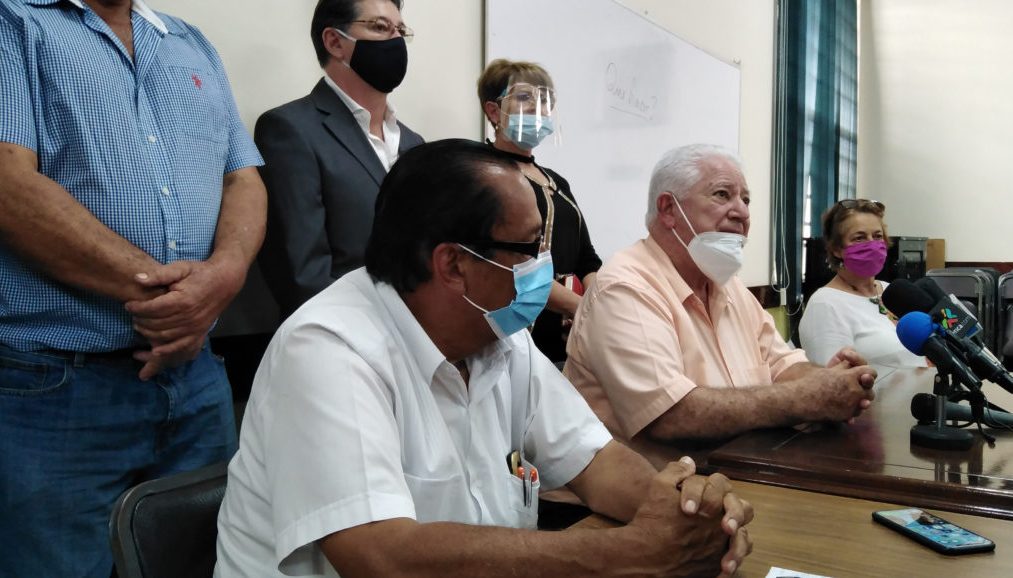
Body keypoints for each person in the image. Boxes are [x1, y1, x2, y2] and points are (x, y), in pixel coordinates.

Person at [215, 139, 753, 578]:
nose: (546, 268)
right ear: (453, 264)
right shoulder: (328, 349)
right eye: (529, 249)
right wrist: (630, 553)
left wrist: (686, 509)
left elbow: (596, 461)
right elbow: (381, 557)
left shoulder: (498, 333)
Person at [0, 0, 266, 576]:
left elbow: (242, 178)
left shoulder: (189, 41)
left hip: (196, 381)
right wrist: (171, 299)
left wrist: (226, 274)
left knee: (215, 562)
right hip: (56, 390)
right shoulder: (14, 22)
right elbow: (8, 184)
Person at [564, 144, 877, 443]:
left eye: (746, 200)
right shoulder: (625, 288)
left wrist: (831, 382)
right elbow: (670, 416)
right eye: (722, 195)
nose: (741, 212)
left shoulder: (729, 287)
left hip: (742, 466)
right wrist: (805, 398)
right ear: (669, 209)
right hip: (655, 479)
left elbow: (782, 366)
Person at [256, 0, 424, 318]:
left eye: (400, 30)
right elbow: (302, 277)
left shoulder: (414, 144)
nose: (396, 41)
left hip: (417, 332)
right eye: (380, 27)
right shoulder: (290, 129)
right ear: (335, 42)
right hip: (339, 333)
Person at [477, 59, 601, 363]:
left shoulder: (557, 181)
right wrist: (578, 307)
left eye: (544, 100)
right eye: (523, 97)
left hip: (567, 343)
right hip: (512, 343)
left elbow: (587, 259)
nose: (537, 107)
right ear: (493, 111)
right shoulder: (484, 173)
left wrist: (598, 304)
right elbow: (510, 265)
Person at [799, 199, 927, 369]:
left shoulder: (892, 290)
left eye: (877, 236)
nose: (872, 244)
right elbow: (833, 378)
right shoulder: (825, 304)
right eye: (859, 238)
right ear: (837, 249)